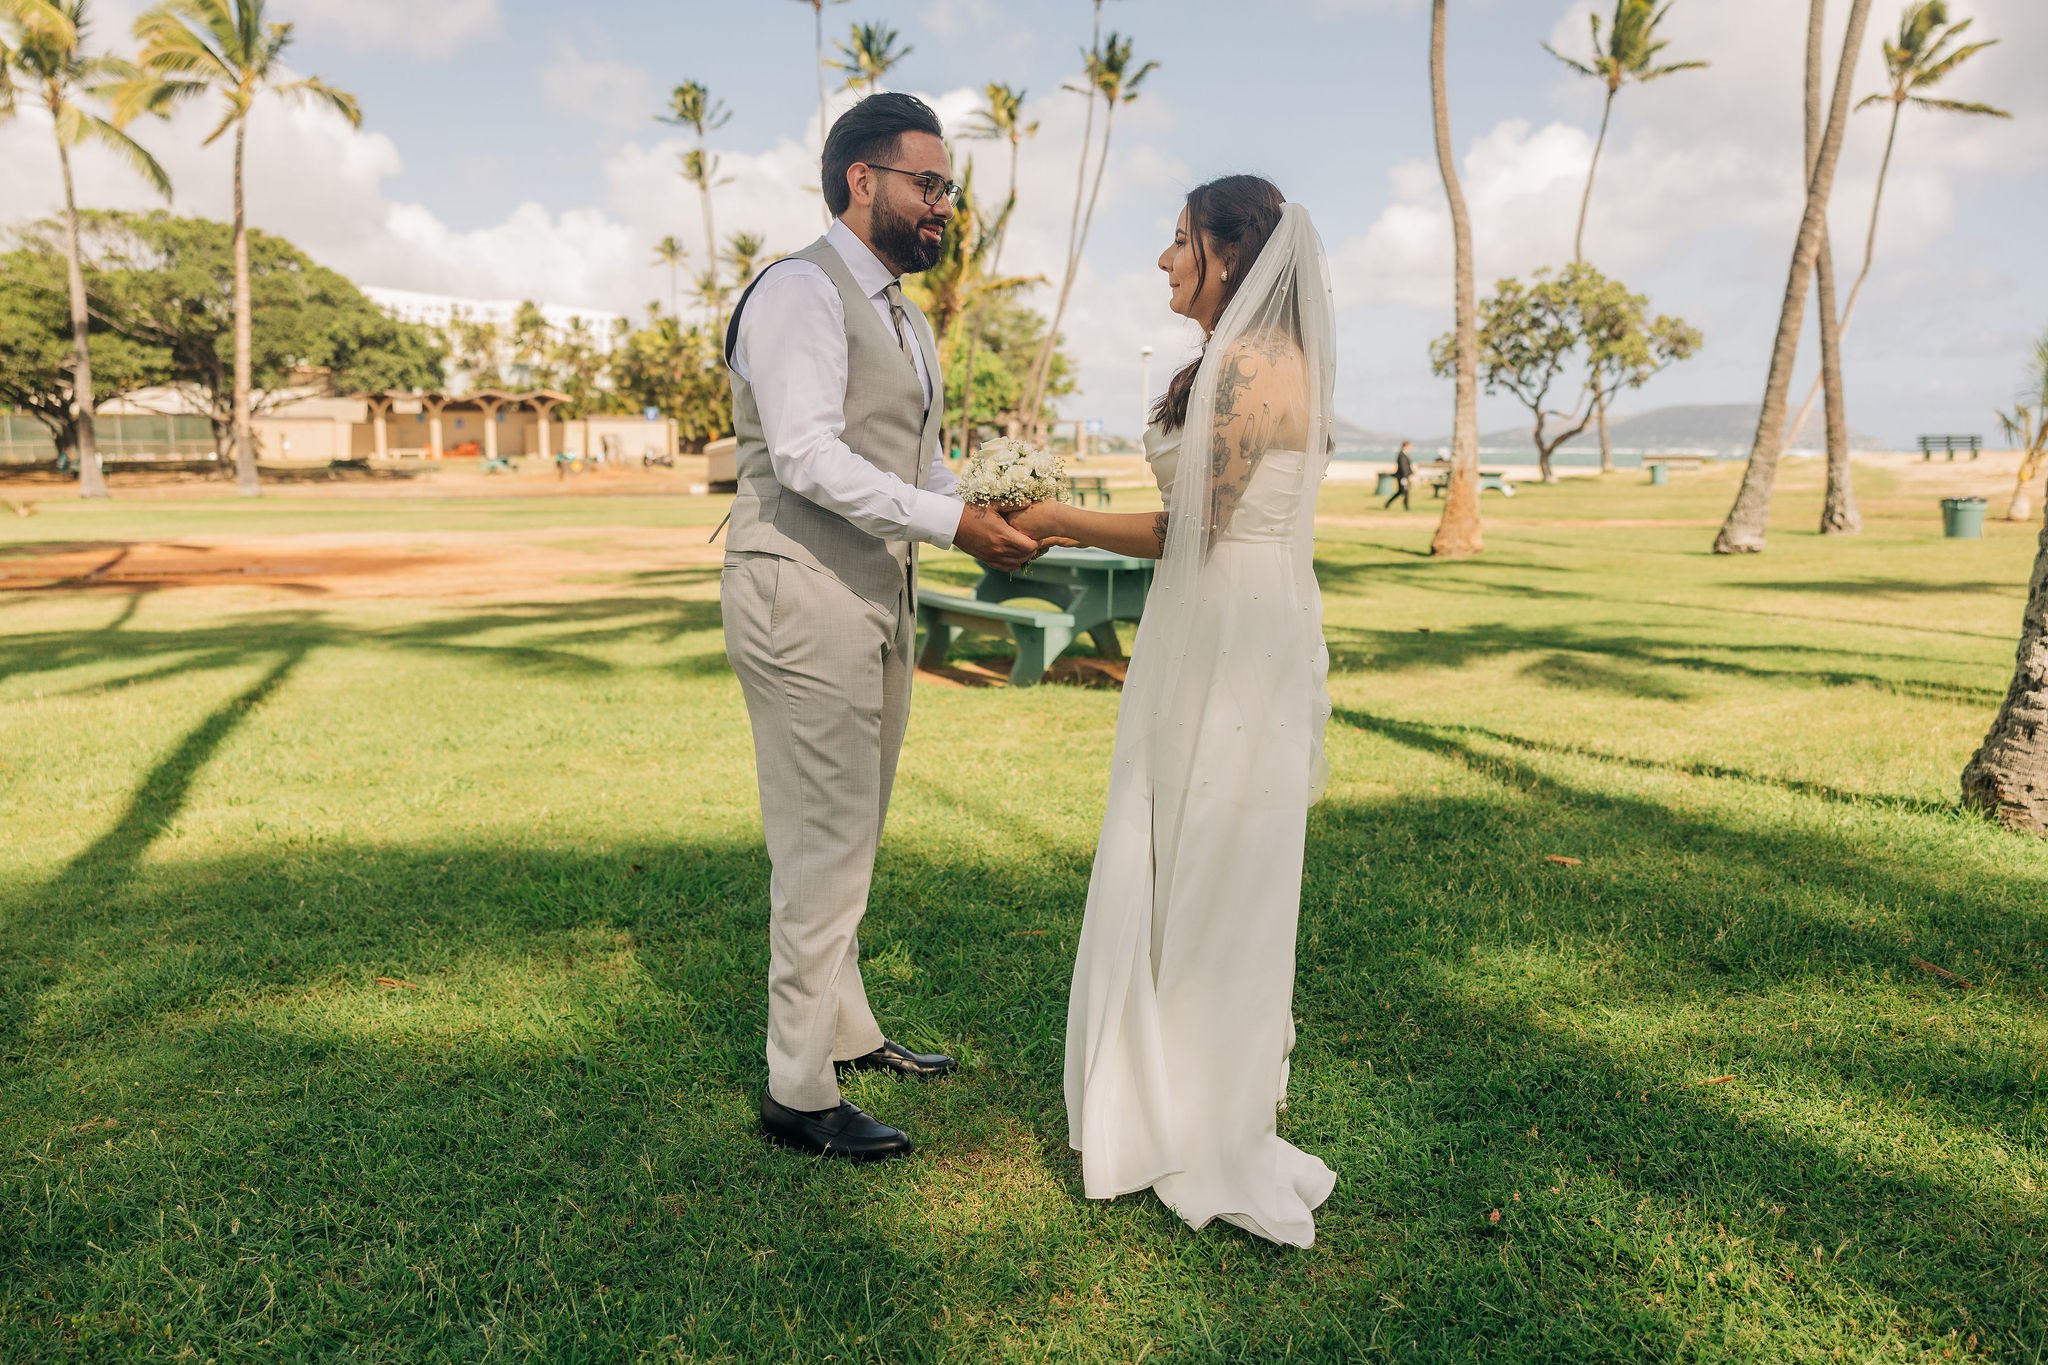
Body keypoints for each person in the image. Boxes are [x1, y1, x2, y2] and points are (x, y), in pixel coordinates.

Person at [1005, 175, 1338, 1247]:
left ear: (1229, 256)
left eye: (1179, 240)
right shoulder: (1244, 360)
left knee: (1209, 849)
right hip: (1216, 618)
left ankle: (1195, 1113)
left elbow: (1185, 527)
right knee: (1186, 838)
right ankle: (1167, 1094)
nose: (1162, 259)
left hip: (1230, 632)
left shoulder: (1253, 365)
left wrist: (1051, 517)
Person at [720, 93, 1043, 1162]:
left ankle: (845, 1033)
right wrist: (953, 521)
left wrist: (975, 511)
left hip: (874, 591)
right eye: (928, 183)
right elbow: (808, 456)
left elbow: (913, 461)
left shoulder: (899, 313)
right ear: (863, 181)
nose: (943, 206)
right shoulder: (799, 292)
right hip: (801, 589)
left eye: (946, 188)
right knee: (824, 840)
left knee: (851, 826)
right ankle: (796, 1089)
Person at [1386, 440, 1414, 510]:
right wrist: (1405, 477)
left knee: (1401, 491)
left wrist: (1411, 473)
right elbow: (1403, 466)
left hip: (1404, 476)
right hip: (1402, 477)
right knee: (1404, 491)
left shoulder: (1404, 454)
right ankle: (1406, 506)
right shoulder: (1401, 455)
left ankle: (1388, 503)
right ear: (1406, 446)